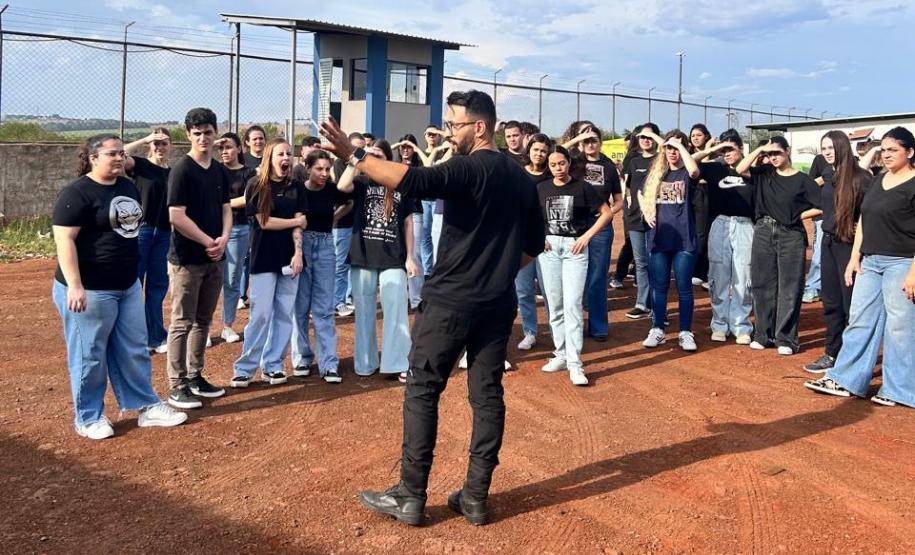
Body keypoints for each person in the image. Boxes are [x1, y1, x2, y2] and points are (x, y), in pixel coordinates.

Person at [320, 90, 544, 527]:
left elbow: (412, 181)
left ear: (480, 127)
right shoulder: (520, 178)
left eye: (455, 125)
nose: (449, 132)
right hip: (496, 305)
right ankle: (475, 497)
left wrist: (355, 155)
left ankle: (410, 495)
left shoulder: (466, 167)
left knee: (423, 389)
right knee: (487, 395)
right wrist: (496, 274)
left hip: (449, 303)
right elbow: (533, 244)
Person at [52, 134, 187, 439]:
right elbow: (64, 241)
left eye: (120, 153)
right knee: (90, 354)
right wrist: (75, 285)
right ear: (93, 158)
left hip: (126, 285)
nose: (118, 158)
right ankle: (88, 418)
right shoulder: (76, 193)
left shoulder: (127, 186)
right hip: (90, 289)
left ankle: (146, 406)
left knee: (134, 348)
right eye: (111, 154)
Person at [805, 126, 915, 407]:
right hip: (870, 261)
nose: (886, 154)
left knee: (899, 327)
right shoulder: (878, 181)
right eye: (884, 150)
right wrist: (855, 258)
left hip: (902, 262)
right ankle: (846, 379)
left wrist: (913, 272)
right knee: (859, 320)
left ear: (910, 152)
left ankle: (899, 390)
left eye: (893, 150)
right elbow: (864, 219)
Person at [164, 107, 232, 409]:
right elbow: (176, 216)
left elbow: (226, 208)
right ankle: (176, 384)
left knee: (203, 321)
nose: (203, 138)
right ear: (188, 135)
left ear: (215, 133)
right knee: (182, 321)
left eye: (208, 132)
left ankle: (194, 376)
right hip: (187, 259)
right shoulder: (182, 169)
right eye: (197, 133)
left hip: (215, 258)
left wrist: (224, 239)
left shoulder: (218, 170)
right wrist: (208, 241)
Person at [337, 140, 419, 382]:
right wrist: (357, 158)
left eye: (378, 156)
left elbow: (408, 223)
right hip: (362, 255)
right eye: (370, 156)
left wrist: (411, 257)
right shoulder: (362, 183)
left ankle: (398, 362)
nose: (373, 160)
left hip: (393, 256)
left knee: (396, 311)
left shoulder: (400, 184)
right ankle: (366, 362)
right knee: (364, 312)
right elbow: (342, 185)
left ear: (387, 159)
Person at [231, 139, 307, 387]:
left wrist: (298, 253)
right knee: (261, 314)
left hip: (289, 258)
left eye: (289, 154)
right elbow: (263, 221)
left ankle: (273, 365)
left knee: (284, 313)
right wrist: (294, 222)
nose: (286, 158)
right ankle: (244, 368)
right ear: (269, 158)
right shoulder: (256, 184)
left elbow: (301, 224)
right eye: (280, 154)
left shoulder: (296, 187)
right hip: (263, 257)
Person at [736, 136, 821, 355]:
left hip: (791, 234)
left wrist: (799, 215)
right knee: (762, 284)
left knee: (790, 287)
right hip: (763, 230)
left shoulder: (803, 180)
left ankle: (786, 339)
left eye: (777, 153)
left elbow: (821, 205)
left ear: (788, 151)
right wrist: (760, 150)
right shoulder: (764, 174)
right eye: (770, 154)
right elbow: (740, 168)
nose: (773, 157)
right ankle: (763, 335)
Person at [538, 145, 613, 384]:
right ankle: (560, 354)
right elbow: (529, 215)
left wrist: (587, 236)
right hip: (549, 250)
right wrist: (539, 237)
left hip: (575, 249)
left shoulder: (583, 187)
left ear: (569, 163)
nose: (558, 168)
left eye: (561, 163)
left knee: (572, 305)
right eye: (553, 165)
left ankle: (575, 364)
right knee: (555, 304)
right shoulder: (541, 188)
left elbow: (606, 212)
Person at [802, 132, 872, 372]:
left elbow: (869, 213)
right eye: (824, 148)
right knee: (831, 301)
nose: (827, 152)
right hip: (828, 242)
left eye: (831, 147)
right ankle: (832, 353)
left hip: (849, 246)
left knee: (850, 303)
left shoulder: (861, 178)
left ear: (842, 147)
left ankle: (854, 359)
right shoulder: (828, 175)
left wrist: (857, 244)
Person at [637, 129, 702, 351]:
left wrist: (680, 145)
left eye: (677, 148)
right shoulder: (657, 174)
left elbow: (694, 170)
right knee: (659, 287)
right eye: (669, 148)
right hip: (659, 238)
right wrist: (646, 211)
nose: (673, 152)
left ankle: (685, 332)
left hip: (684, 239)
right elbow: (641, 193)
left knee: (684, 287)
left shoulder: (686, 173)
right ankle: (657, 329)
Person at [691, 129, 755, 345]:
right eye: (724, 150)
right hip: (720, 223)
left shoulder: (752, 171)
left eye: (731, 149)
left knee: (743, 276)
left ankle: (741, 325)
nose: (727, 154)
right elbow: (690, 161)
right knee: (719, 275)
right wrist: (714, 149)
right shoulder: (714, 168)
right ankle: (719, 323)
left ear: (741, 149)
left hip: (745, 225)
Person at [567, 124, 624, 341]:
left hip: (601, 226)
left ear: (600, 142)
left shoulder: (608, 167)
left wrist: (607, 214)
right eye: (586, 141)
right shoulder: (573, 162)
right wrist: (578, 139)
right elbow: (555, 151)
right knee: (573, 276)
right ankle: (572, 327)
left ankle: (598, 326)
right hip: (575, 225)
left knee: (598, 277)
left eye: (594, 140)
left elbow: (619, 200)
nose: (590, 144)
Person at [292, 150, 344, 383]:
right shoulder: (298, 189)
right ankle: (302, 358)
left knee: (324, 308)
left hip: (325, 245)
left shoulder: (332, 189)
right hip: (301, 244)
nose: (324, 173)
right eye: (319, 169)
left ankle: (329, 363)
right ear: (307, 168)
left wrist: (334, 218)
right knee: (300, 307)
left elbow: (348, 202)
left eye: (327, 169)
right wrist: (297, 252)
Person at [123, 128, 172, 354]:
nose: (160, 147)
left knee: (157, 286)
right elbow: (120, 154)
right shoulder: (141, 166)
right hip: (141, 231)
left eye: (164, 143)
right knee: (134, 285)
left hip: (165, 233)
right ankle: (133, 338)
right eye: (156, 143)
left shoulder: (173, 172)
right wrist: (145, 139)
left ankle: (155, 337)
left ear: (170, 146)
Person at [514, 133, 552, 350]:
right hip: (522, 240)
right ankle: (530, 332)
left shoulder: (551, 175)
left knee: (549, 291)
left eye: (544, 151)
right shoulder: (518, 174)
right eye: (536, 149)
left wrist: (545, 236)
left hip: (548, 242)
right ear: (528, 151)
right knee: (523, 289)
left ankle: (556, 332)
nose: (539, 154)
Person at [217, 132, 256, 344]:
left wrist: (221, 204)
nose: (224, 151)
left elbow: (248, 198)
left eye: (229, 147)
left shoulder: (248, 173)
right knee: (209, 278)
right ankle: (202, 328)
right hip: (212, 229)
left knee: (232, 278)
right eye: (221, 148)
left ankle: (227, 325)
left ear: (239, 149)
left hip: (239, 228)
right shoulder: (213, 170)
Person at [623, 123, 661, 320]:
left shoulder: (661, 159)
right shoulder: (634, 161)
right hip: (635, 218)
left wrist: (656, 138)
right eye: (642, 137)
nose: (646, 140)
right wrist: (629, 203)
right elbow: (628, 186)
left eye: (650, 137)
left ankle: (657, 304)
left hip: (656, 218)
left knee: (656, 262)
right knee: (640, 263)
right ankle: (642, 303)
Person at [331, 132, 364, 317]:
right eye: (356, 147)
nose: (360, 151)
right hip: (342, 222)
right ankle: (338, 301)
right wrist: (356, 164)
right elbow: (344, 191)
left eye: (362, 147)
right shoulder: (340, 163)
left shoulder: (365, 165)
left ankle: (348, 297)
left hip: (357, 222)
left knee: (353, 263)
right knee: (341, 263)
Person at [396, 135, 427, 309]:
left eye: (409, 147)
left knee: (414, 255)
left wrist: (417, 149)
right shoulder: (394, 165)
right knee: (398, 255)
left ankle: (416, 298)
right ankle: (402, 295)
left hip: (414, 213)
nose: (405, 150)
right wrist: (397, 144)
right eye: (403, 147)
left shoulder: (419, 167)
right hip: (396, 214)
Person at [688, 123, 713, 288]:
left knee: (703, 235)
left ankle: (701, 272)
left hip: (707, 198)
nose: (695, 138)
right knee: (692, 234)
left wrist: (709, 150)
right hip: (691, 196)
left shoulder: (715, 154)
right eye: (693, 136)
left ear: (706, 136)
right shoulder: (687, 154)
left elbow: (706, 171)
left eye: (699, 135)